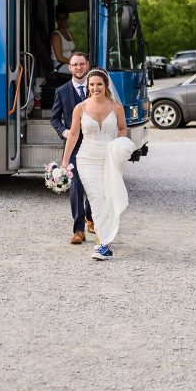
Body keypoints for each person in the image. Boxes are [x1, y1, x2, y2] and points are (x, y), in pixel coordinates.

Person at [60, 68, 136, 260]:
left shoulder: (116, 107)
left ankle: (105, 239)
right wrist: (65, 161)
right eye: (91, 84)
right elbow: (74, 135)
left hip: (109, 159)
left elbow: (122, 129)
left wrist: (119, 149)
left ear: (106, 85)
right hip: (87, 159)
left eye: (99, 84)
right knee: (96, 198)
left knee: (108, 197)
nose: (95, 88)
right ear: (87, 86)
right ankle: (104, 244)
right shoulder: (80, 108)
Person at [50, 52, 93, 244]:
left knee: (94, 184)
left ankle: (90, 217)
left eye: (82, 64)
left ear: (87, 65)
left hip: (94, 145)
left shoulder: (96, 88)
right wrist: (63, 131)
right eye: (75, 65)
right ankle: (78, 230)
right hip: (73, 146)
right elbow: (54, 118)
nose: (79, 67)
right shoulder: (62, 91)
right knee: (76, 186)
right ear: (70, 68)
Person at [50, 5, 75, 74]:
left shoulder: (69, 33)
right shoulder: (56, 36)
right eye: (60, 19)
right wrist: (75, 63)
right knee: (85, 71)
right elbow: (59, 58)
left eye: (65, 18)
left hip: (69, 63)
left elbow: (73, 51)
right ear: (56, 20)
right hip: (60, 66)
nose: (63, 21)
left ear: (67, 18)